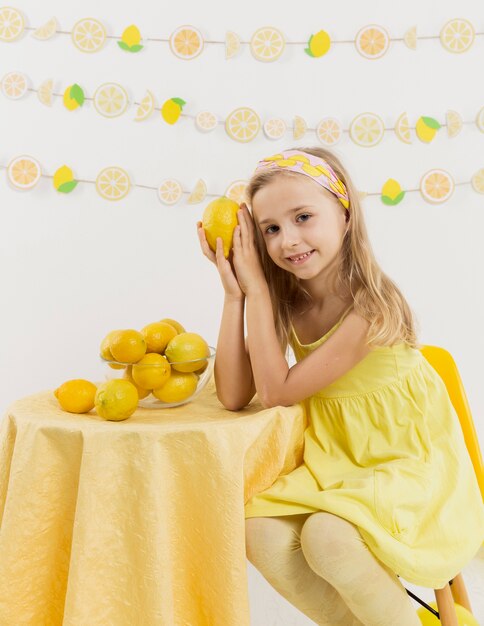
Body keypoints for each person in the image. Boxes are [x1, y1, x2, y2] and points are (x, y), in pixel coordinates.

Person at [197, 147, 484, 626]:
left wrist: (260, 290)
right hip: (339, 458)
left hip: (408, 462)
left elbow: (276, 391)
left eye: (303, 217)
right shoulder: (290, 299)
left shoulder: (372, 304)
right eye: (270, 229)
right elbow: (233, 394)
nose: (289, 240)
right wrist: (236, 295)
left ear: (345, 212)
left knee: (327, 537)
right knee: (258, 531)